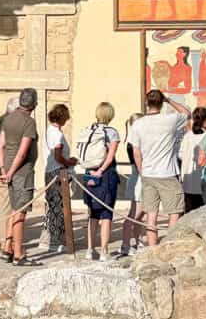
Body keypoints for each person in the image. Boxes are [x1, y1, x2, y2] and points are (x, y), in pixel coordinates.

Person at [129, 89, 190, 247]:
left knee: (151, 215)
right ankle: (169, 246)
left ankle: (152, 248)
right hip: (167, 173)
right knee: (174, 212)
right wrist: (169, 100)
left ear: (146, 103)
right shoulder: (169, 120)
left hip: (148, 173)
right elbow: (187, 113)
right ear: (161, 103)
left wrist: (142, 171)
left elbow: (136, 151)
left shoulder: (138, 124)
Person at [0, 88, 40, 266]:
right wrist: (11, 172)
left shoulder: (8, 119)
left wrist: (3, 169)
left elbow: (0, 146)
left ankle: (7, 247)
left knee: (14, 210)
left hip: (9, 169)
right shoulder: (29, 122)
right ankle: (18, 254)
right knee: (20, 213)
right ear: (34, 104)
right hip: (21, 172)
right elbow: (22, 152)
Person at [79, 102, 121, 260]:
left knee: (92, 213)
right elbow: (110, 157)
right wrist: (101, 171)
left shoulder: (88, 130)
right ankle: (104, 250)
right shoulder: (112, 133)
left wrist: (93, 172)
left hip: (88, 173)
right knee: (106, 213)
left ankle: (90, 249)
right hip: (105, 175)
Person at [40, 104, 75, 254]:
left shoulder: (50, 130)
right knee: (57, 207)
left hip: (51, 171)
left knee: (53, 206)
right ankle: (53, 240)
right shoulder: (56, 134)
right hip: (57, 172)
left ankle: (51, 237)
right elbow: (58, 155)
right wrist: (69, 162)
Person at [119, 113, 145, 256]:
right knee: (135, 214)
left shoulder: (136, 140)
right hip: (138, 179)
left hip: (138, 178)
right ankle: (125, 244)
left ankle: (139, 242)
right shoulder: (133, 142)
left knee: (140, 216)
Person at [178, 107, 206, 212]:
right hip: (203, 182)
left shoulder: (187, 136)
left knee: (188, 213)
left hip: (187, 181)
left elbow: (180, 155)